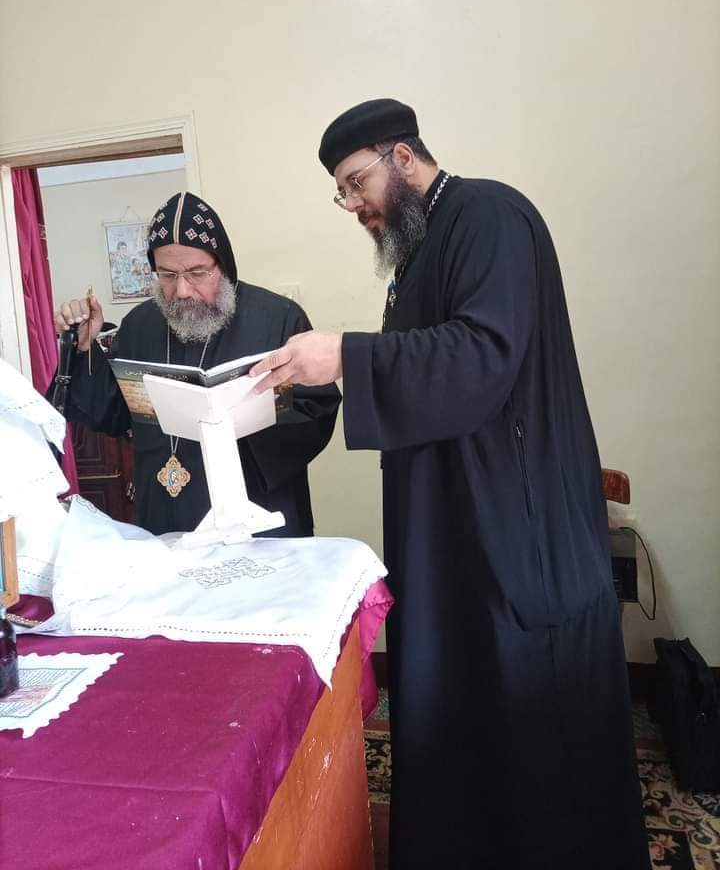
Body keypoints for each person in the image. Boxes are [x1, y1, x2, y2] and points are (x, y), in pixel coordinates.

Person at [251, 99, 651, 869]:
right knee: (464, 719)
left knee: (536, 739)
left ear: (402, 157)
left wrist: (346, 356)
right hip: (452, 533)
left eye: (357, 182)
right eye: (342, 192)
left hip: (515, 533)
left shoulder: (490, 215)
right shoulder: (420, 249)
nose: (354, 205)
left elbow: (480, 355)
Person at [54, 191, 341, 538]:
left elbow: (317, 405)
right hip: (166, 513)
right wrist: (85, 348)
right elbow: (112, 413)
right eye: (167, 275)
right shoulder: (139, 325)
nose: (182, 290)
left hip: (257, 507)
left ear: (223, 265)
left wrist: (237, 433)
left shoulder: (278, 318)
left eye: (197, 273)